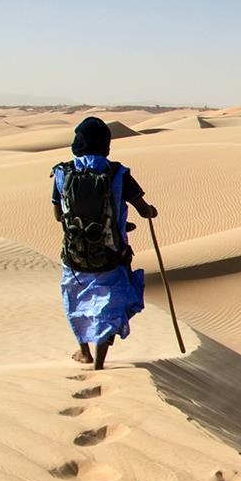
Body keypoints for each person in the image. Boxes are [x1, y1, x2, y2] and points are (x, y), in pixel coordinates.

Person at [51, 116, 158, 370]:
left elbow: (58, 216)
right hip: (111, 255)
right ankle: (100, 361)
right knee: (109, 306)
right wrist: (149, 212)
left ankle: (83, 352)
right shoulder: (118, 174)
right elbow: (144, 210)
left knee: (77, 302)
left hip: (75, 255)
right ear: (105, 145)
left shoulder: (62, 174)